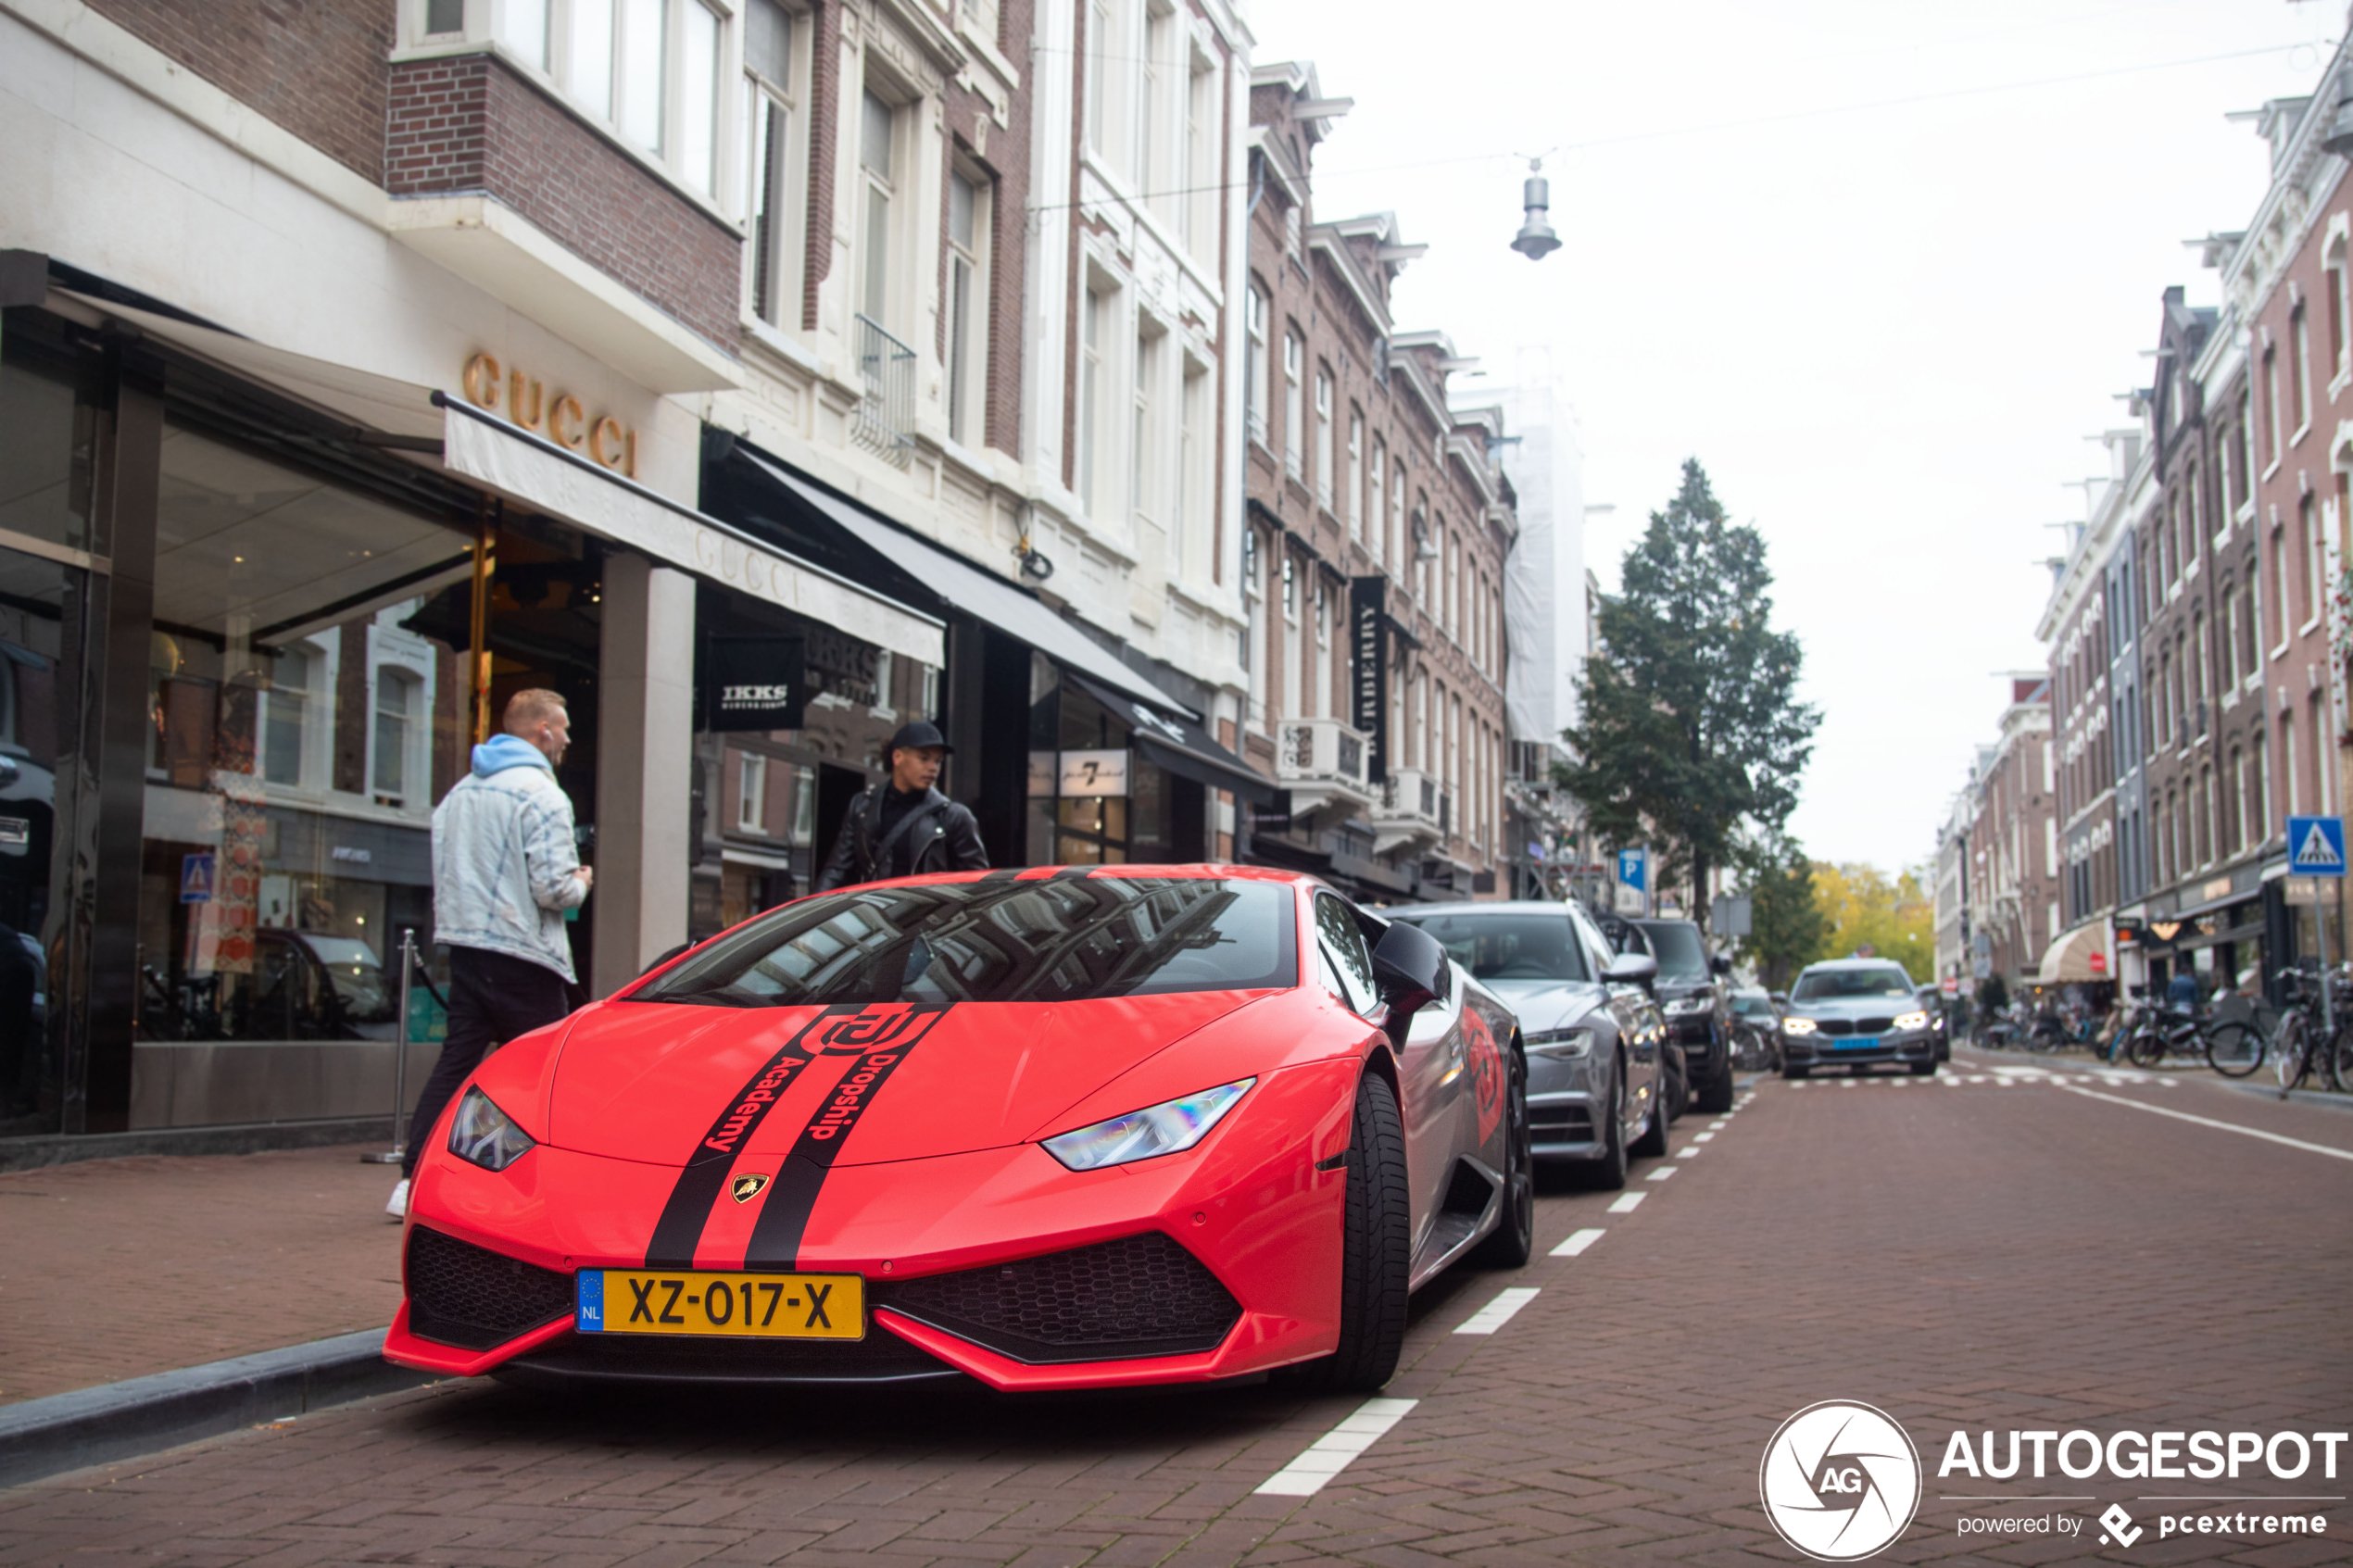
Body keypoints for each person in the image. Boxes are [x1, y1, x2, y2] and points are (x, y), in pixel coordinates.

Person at [387, 689, 590, 1219]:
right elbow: (553, 891)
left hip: (467, 948)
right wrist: (582, 881)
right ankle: (558, 1189)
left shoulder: (457, 795)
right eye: (564, 727)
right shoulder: (544, 797)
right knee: (552, 1070)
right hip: (525, 953)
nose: (569, 738)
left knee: (457, 1062)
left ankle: (411, 1181)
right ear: (543, 731)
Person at [815, 721, 988, 892]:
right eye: (924, 758)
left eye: (938, 761)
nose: (933, 768)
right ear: (897, 757)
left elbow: (978, 885)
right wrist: (815, 912)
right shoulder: (862, 806)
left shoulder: (954, 816)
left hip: (926, 916)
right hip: (873, 914)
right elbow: (837, 869)